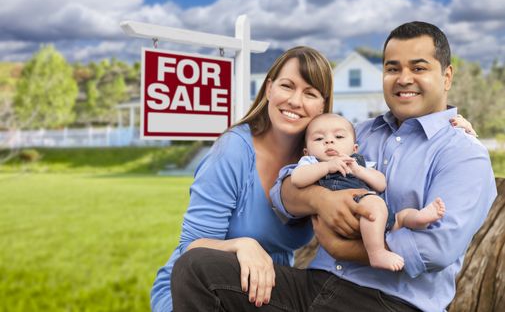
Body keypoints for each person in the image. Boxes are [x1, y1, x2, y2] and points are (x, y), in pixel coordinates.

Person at [171, 21, 496, 312]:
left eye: (419, 67)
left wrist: (343, 247)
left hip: (388, 302)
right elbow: (283, 194)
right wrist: (319, 200)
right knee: (198, 268)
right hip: (314, 285)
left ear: (447, 76)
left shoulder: (463, 153)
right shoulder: (357, 133)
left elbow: (435, 250)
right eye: (392, 68)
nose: (403, 79)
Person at [150, 46, 343, 312]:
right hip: (199, 288)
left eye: (310, 93)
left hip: (267, 289)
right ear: (269, 89)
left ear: (323, 104)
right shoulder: (234, 149)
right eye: (287, 86)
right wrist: (242, 245)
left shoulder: (318, 162)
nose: (295, 101)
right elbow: (191, 246)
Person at [291, 113, 446, 272]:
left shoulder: (357, 162)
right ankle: (376, 252)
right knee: (374, 204)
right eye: (318, 139)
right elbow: (297, 179)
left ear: (354, 148)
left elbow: (381, 183)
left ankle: (419, 218)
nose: (329, 141)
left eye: (338, 136)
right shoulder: (311, 163)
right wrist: (327, 167)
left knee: (401, 217)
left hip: (374, 216)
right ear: (307, 152)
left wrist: (359, 171)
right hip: (352, 212)